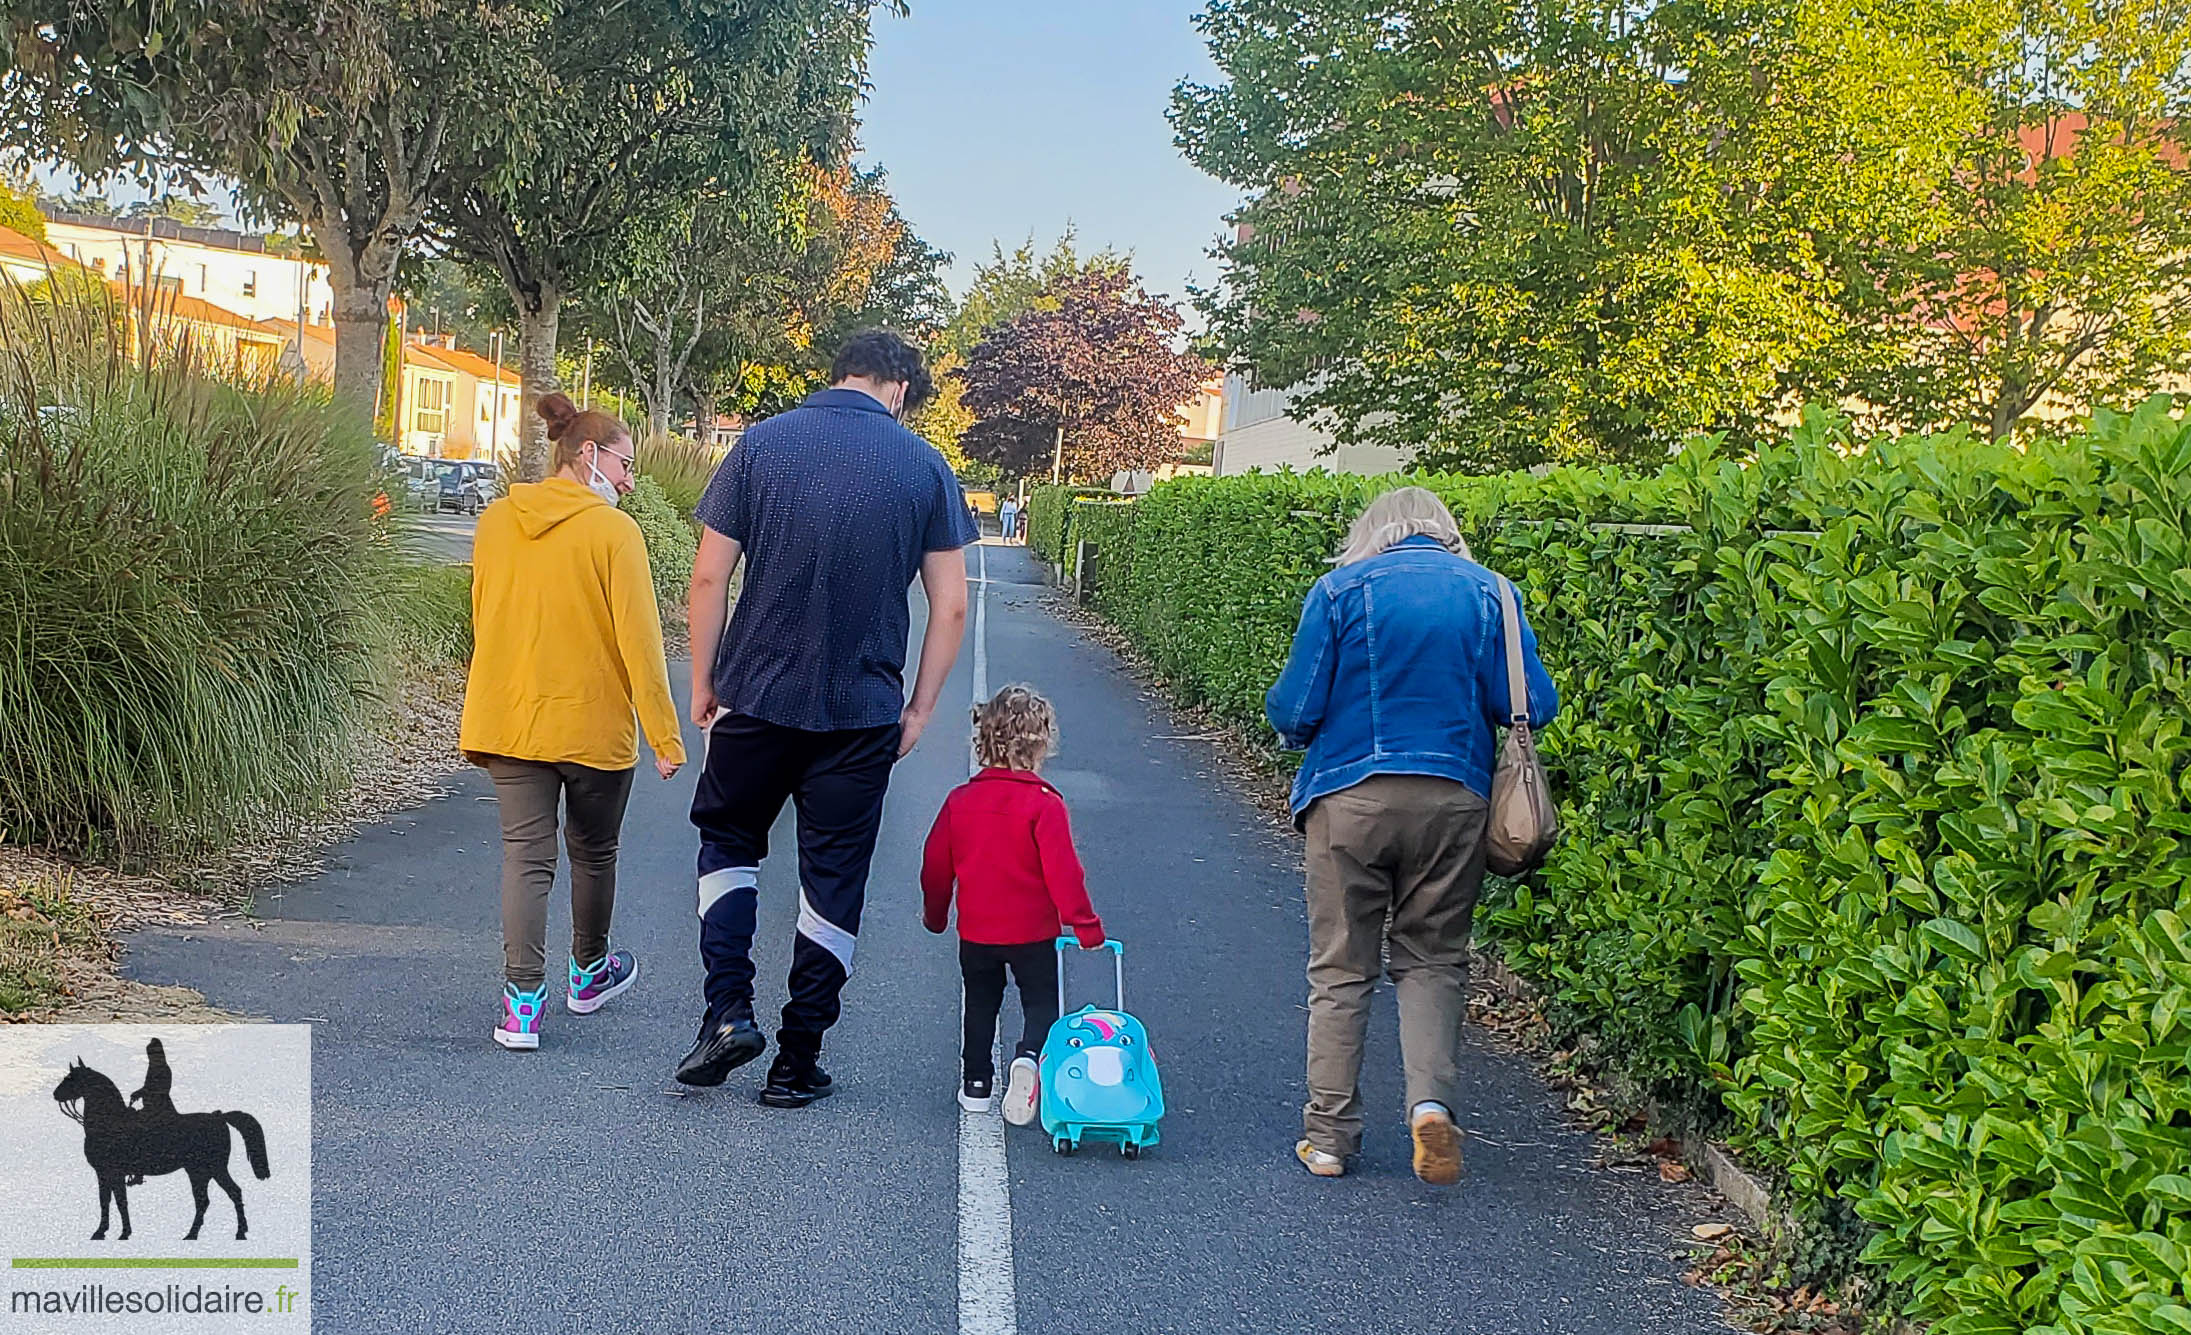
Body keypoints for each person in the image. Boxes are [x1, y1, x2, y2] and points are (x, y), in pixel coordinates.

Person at [680, 329, 978, 1106]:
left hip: (755, 697)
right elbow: (950, 603)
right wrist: (919, 707)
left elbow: (708, 577)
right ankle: (796, 1058)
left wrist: (704, 680)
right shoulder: (923, 466)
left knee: (728, 846)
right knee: (832, 880)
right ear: (900, 389)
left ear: (836, 373)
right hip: (861, 712)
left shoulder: (761, 445)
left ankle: (726, 1008)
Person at [1265, 486, 1558, 1185]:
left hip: (1349, 799)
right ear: (1445, 531)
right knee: (1433, 959)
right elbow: (1532, 704)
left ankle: (1330, 1137)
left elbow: (1295, 706)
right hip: (1454, 799)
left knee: (1341, 967)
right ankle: (1430, 1106)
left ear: (1372, 533)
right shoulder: (1493, 592)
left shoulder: (1339, 590)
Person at [459, 391, 685, 1052]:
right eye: (623, 464)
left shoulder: (497, 520)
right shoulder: (615, 532)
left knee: (525, 858)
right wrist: (663, 736)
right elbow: (640, 641)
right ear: (586, 454)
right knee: (593, 851)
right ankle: (588, 973)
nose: (629, 480)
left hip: (511, 716)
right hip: (591, 726)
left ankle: (520, 1005)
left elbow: (485, 611)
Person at [921, 686, 1104, 1123]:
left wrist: (935, 914)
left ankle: (976, 1085)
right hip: (1033, 932)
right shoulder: (1045, 805)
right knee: (1040, 1001)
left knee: (980, 1002)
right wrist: (1085, 925)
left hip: (977, 931)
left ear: (984, 739)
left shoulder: (960, 801)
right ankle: (1028, 1058)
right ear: (1041, 743)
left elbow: (934, 864)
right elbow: (1064, 873)